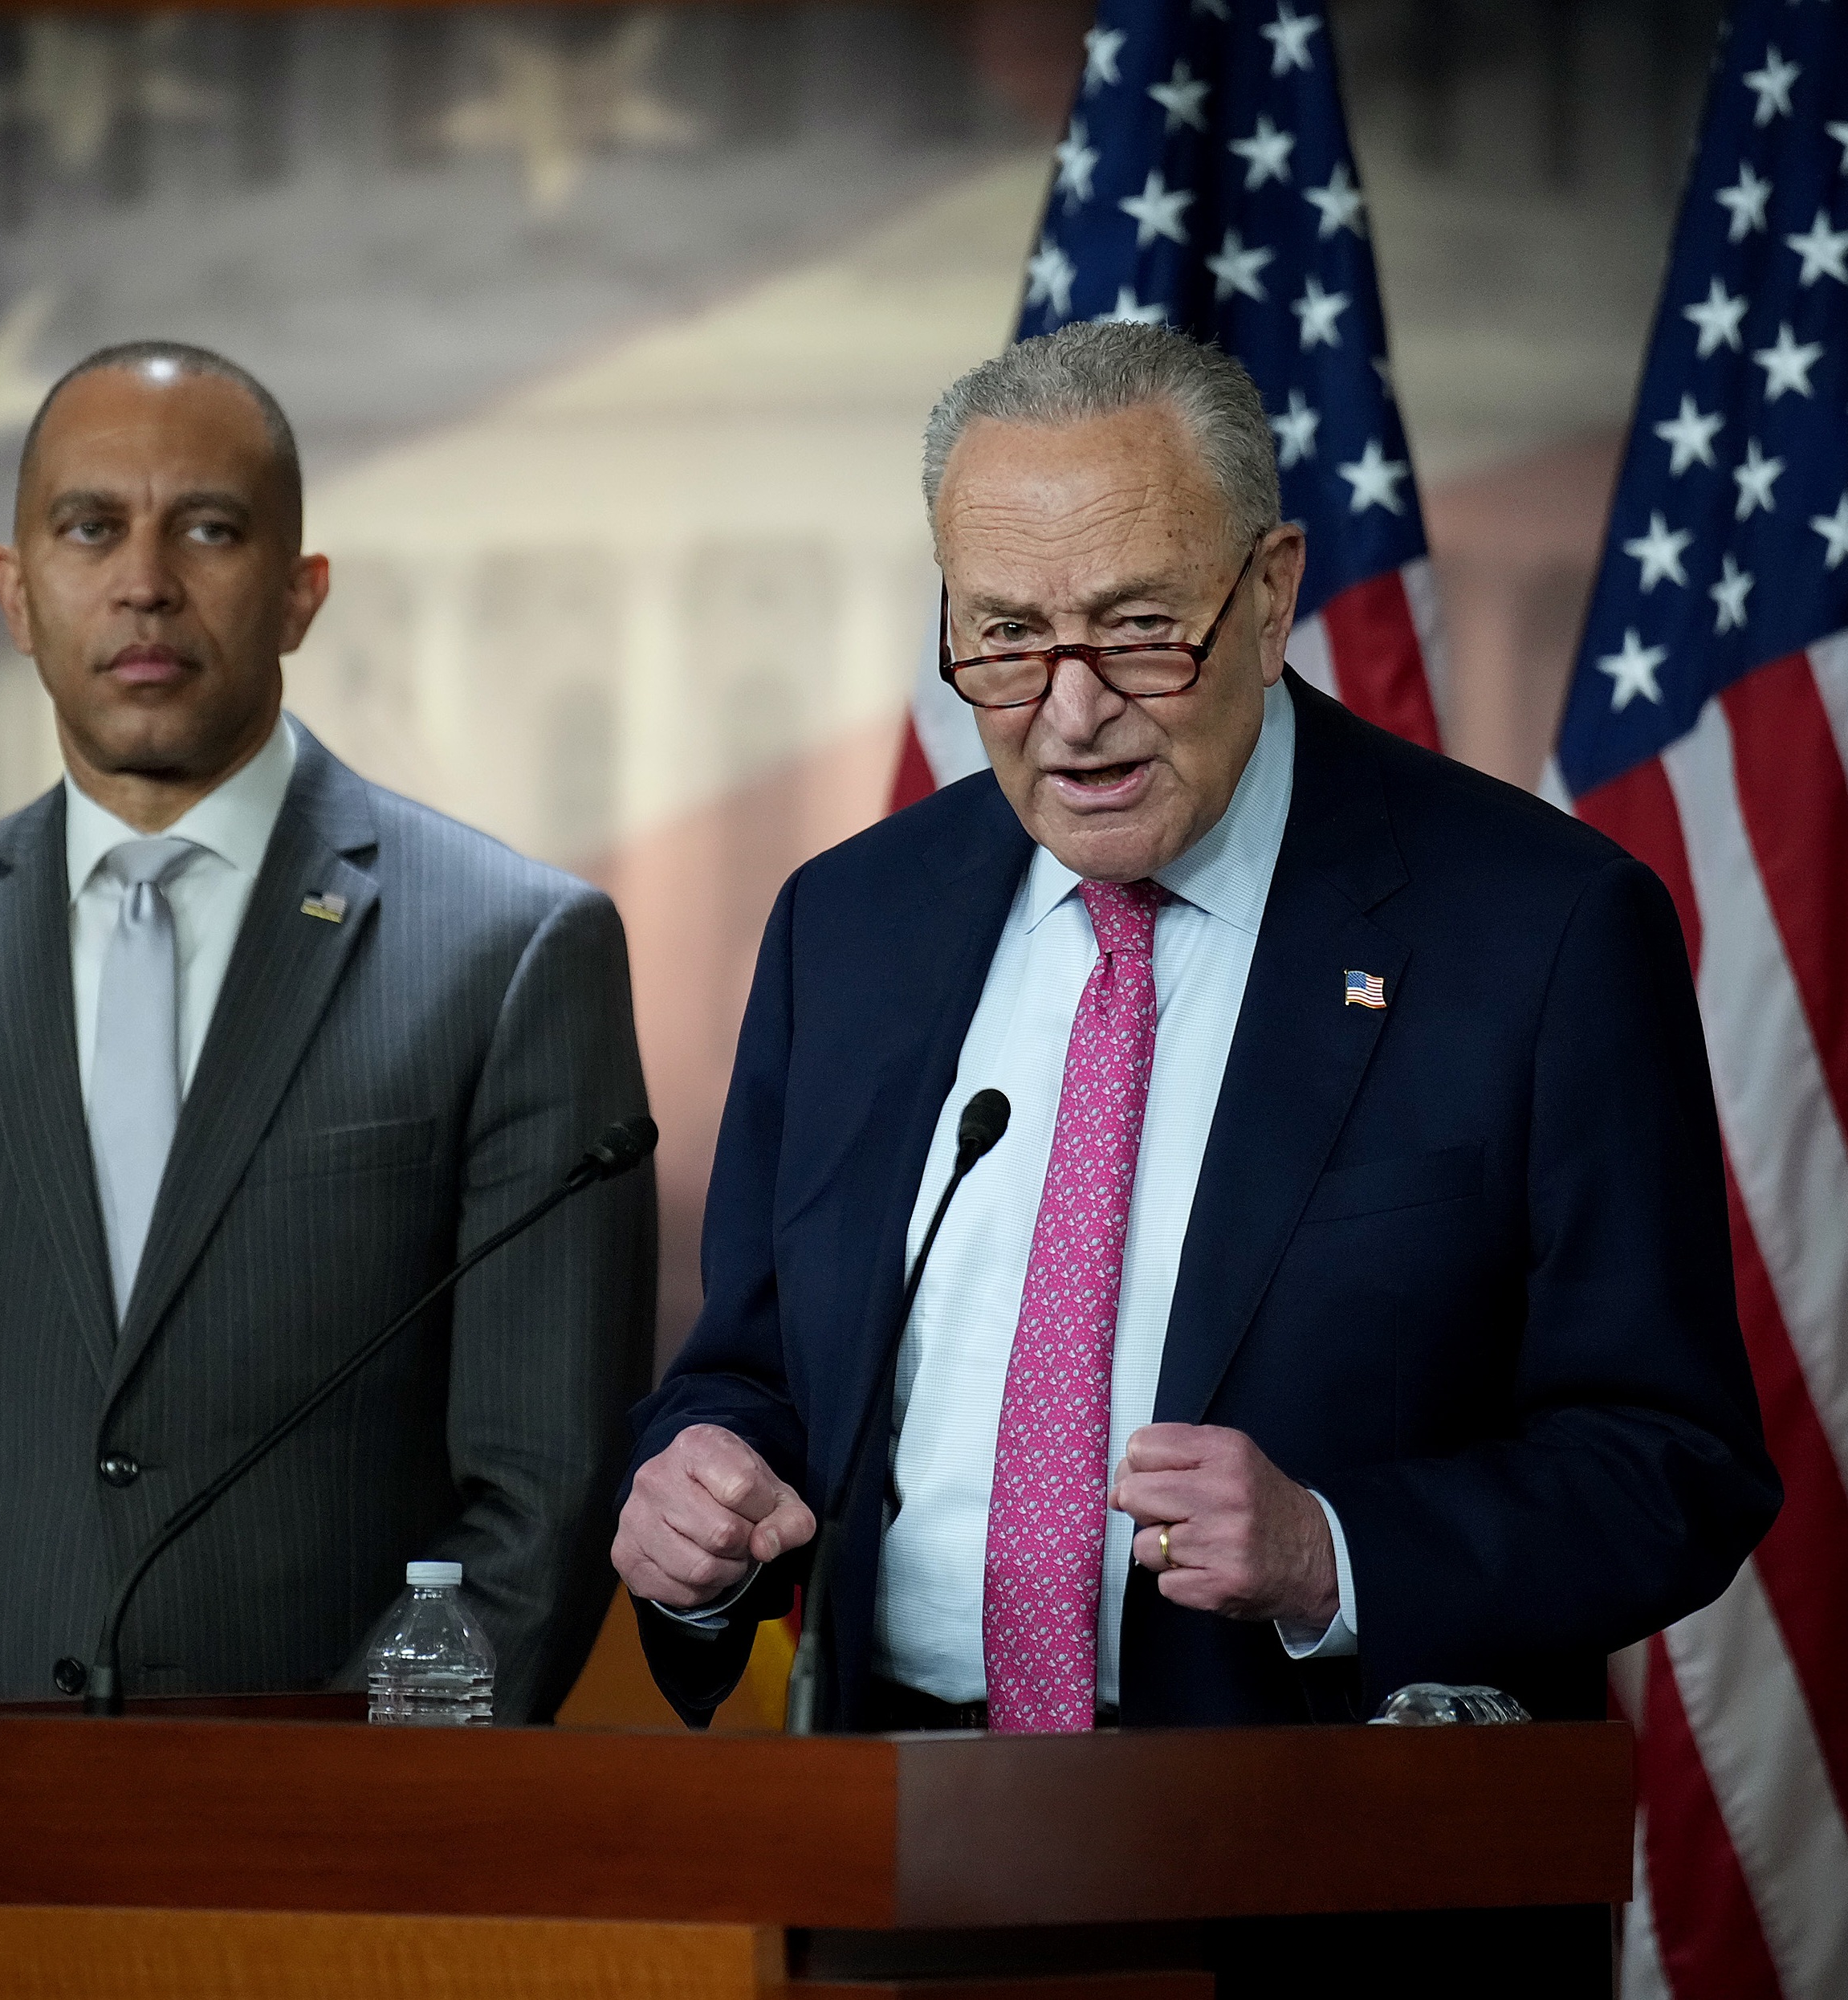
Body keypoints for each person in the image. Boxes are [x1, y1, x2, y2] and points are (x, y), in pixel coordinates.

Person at [612, 324, 1777, 1988]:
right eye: (1003, 639)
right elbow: (756, 1372)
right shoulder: (846, 928)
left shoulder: (1533, 931)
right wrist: (696, 1495)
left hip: (1334, 1899)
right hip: (893, 1863)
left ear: (1272, 582)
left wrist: (1335, 1547)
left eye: (1138, 630)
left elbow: (1671, 1461)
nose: (1068, 714)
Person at [0, 341, 654, 1721]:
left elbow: (540, 1497)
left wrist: (321, 1810)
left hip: (334, 1873)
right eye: (90, 527)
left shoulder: (513, 955)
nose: (143, 579)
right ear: (15, 593)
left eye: (206, 528)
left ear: (299, 593)